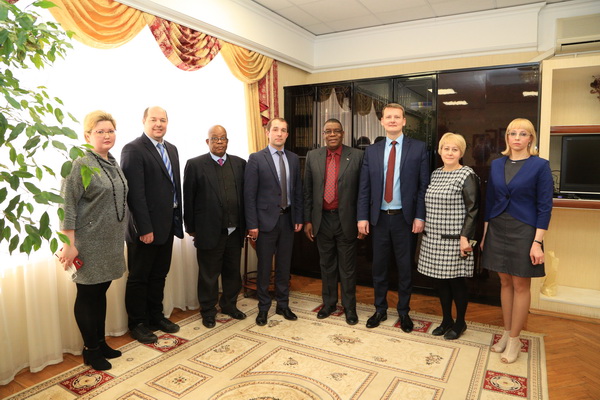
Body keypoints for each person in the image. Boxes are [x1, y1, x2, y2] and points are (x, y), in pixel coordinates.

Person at [57, 110, 128, 370]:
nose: (107, 135)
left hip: (110, 241)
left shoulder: (112, 161)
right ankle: (91, 350)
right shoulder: (79, 163)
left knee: (100, 292)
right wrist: (69, 245)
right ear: (87, 136)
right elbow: (66, 205)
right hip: (87, 243)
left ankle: (100, 342)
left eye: (110, 131)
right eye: (100, 131)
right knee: (88, 295)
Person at [481, 118, 553, 363]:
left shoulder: (540, 165)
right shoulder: (496, 164)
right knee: (504, 281)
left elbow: (545, 206)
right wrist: (484, 234)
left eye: (523, 134)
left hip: (525, 230)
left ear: (530, 138)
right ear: (507, 138)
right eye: (513, 133)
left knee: (521, 284)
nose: (517, 138)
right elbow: (490, 201)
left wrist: (537, 242)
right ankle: (506, 332)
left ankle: (515, 340)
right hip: (497, 227)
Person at [357, 103, 430, 333]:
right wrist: (362, 217)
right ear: (381, 121)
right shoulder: (372, 151)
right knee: (378, 267)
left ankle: (404, 312)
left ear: (404, 121)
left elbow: (423, 186)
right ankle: (380, 309)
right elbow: (364, 187)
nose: (392, 120)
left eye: (397, 117)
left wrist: (420, 216)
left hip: (405, 220)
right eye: (388, 117)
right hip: (378, 219)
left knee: (405, 268)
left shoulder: (418, 148)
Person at [121, 106, 184, 344]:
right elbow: (135, 194)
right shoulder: (133, 149)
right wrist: (144, 228)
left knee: (159, 275)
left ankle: (156, 316)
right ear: (144, 121)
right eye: (154, 119)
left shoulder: (172, 149)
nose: (159, 124)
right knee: (139, 278)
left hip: (167, 225)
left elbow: (174, 188)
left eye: (163, 120)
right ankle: (138, 323)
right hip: (144, 229)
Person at [417, 133, 480, 340]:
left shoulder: (467, 174)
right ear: (440, 151)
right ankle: (446, 320)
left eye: (455, 149)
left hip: (455, 240)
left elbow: (473, 209)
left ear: (461, 153)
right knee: (440, 282)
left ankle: (460, 322)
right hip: (433, 239)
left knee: (456, 283)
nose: (450, 153)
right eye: (446, 148)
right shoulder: (436, 174)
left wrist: (465, 238)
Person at [183, 125, 247, 329]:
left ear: (227, 141)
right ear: (207, 141)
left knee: (232, 273)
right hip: (208, 231)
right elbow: (188, 199)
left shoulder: (240, 163)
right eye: (215, 138)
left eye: (223, 138)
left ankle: (229, 305)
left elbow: (245, 196)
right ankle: (208, 311)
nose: (219, 142)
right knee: (208, 276)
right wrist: (191, 228)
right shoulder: (195, 165)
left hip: (235, 231)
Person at [303, 119, 364, 325]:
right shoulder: (313, 156)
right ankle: (329, 304)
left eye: (336, 131)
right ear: (323, 134)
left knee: (347, 268)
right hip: (322, 220)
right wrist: (308, 220)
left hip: (346, 220)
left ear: (342, 133)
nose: (332, 134)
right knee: (326, 265)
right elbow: (308, 191)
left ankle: (349, 307)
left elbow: (363, 192)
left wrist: (361, 220)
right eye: (328, 131)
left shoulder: (357, 156)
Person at [244, 118, 303, 327]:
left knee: (284, 266)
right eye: (275, 129)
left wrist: (298, 217)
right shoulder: (256, 159)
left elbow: (297, 190)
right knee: (264, 267)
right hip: (264, 223)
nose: (279, 133)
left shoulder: (293, 158)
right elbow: (249, 195)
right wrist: (252, 224)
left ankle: (283, 305)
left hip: (288, 220)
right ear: (267, 133)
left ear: (287, 135)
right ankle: (263, 308)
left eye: (283, 130)